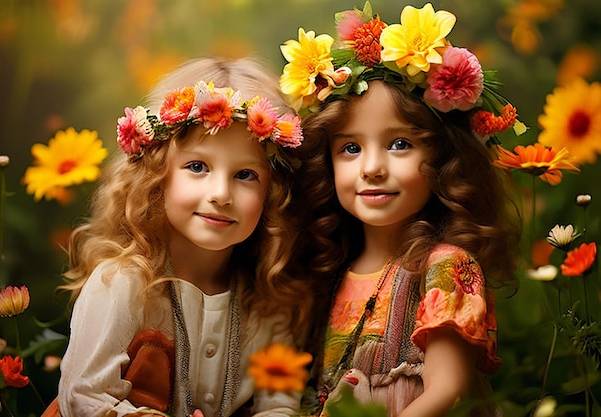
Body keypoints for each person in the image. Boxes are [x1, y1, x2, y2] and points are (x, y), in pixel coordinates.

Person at [280, 3, 523, 416]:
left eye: (399, 144)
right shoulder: (331, 272)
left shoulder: (444, 265)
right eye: (351, 148)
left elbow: (447, 389)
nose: (373, 168)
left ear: (444, 159)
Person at [42, 57, 312, 417]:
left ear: (273, 194)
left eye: (245, 174)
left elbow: (280, 405)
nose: (220, 193)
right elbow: (85, 398)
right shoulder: (122, 285)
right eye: (197, 167)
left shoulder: (268, 305)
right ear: (156, 177)